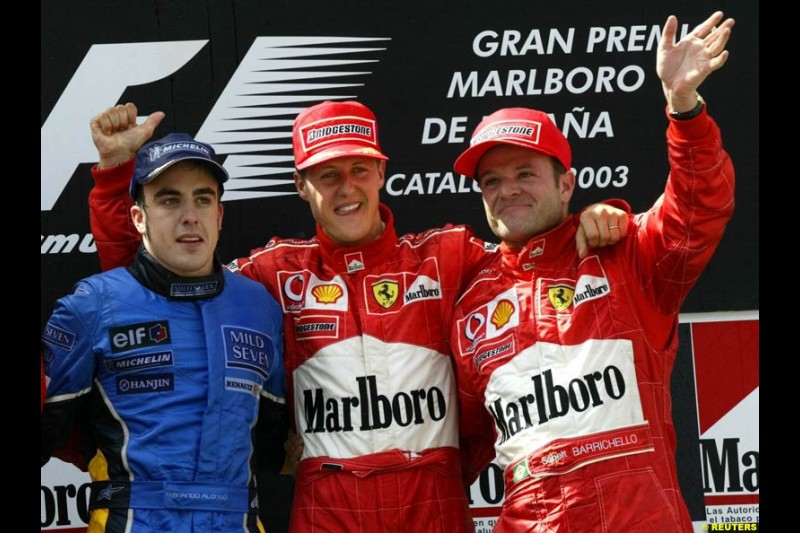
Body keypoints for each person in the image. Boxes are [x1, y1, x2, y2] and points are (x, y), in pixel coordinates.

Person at [83, 100, 627, 531]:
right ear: (301, 187)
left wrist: (597, 219)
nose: (347, 188)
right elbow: (158, 287)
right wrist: (113, 177)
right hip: (329, 506)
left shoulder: (448, 255)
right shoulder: (272, 273)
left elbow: (532, 258)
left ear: (382, 172)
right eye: (328, 175)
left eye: (359, 169)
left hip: (432, 502)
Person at [448, 11, 735, 532]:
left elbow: (701, 205)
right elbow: (460, 445)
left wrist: (683, 108)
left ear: (565, 184)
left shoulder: (627, 255)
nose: (506, 189)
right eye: (490, 180)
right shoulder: (469, 301)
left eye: (525, 173)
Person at [41, 133, 289, 532]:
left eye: (203, 199)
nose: (189, 216)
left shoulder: (258, 306)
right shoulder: (91, 306)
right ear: (139, 217)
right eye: (170, 200)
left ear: (219, 215)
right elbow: (51, 431)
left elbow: (272, 441)